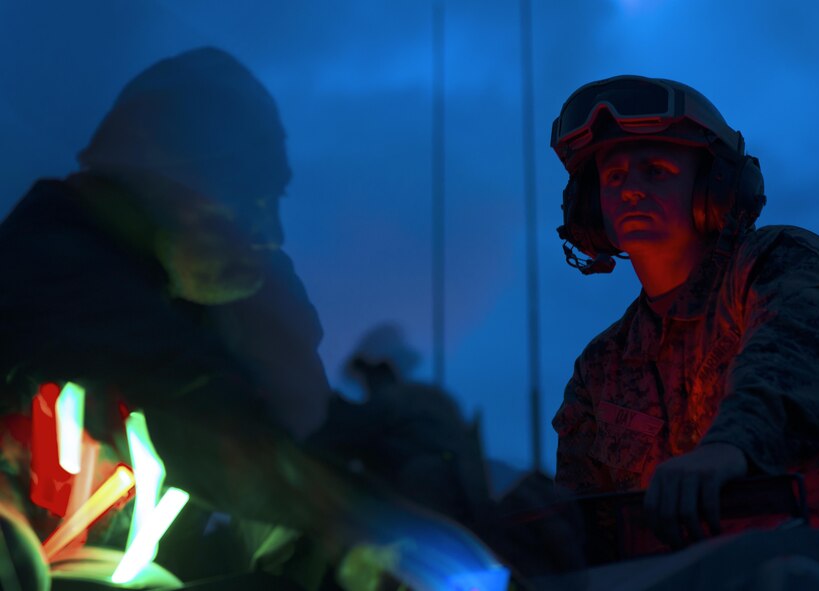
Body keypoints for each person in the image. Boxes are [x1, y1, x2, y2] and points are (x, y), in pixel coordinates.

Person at [0, 48, 507, 591]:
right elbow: (202, 413)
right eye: (253, 198)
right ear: (164, 177)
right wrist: (361, 517)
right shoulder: (58, 268)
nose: (272, 234)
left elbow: (289, 430)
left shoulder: (192, 310)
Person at [549, 75, 819, 548]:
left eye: (655, 170)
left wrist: (730, 447)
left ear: (716, 188)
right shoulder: (600, 367)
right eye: (614, 177)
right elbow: (580, 521)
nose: (630, 189)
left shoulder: (773, 262)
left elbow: (791, 357)